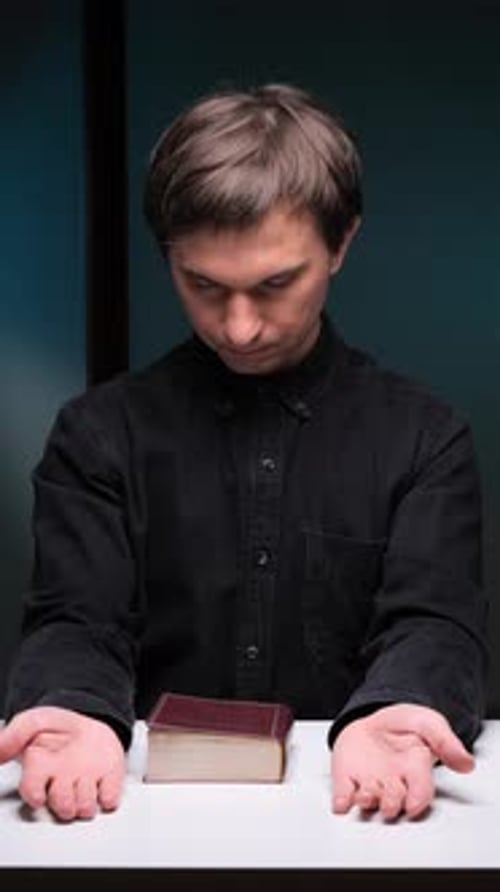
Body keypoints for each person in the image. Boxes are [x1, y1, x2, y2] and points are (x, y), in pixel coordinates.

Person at [0, 83, 487, 823]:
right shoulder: (96, 435)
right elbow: (76, 620)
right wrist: (72, 709)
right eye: (202, 285)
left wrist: (405, 706)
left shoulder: (426, 437)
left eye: (275, 284)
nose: (240, 328)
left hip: (353, 823)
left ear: (343, 241)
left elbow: (433, 622)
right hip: (136, 825)